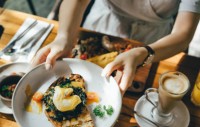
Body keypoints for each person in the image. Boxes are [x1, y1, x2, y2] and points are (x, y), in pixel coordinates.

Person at [32, 0, 200, 95]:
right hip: (102, 21)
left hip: (156, 40)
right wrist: (64, 37)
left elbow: (183, 34)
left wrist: (144, 52)